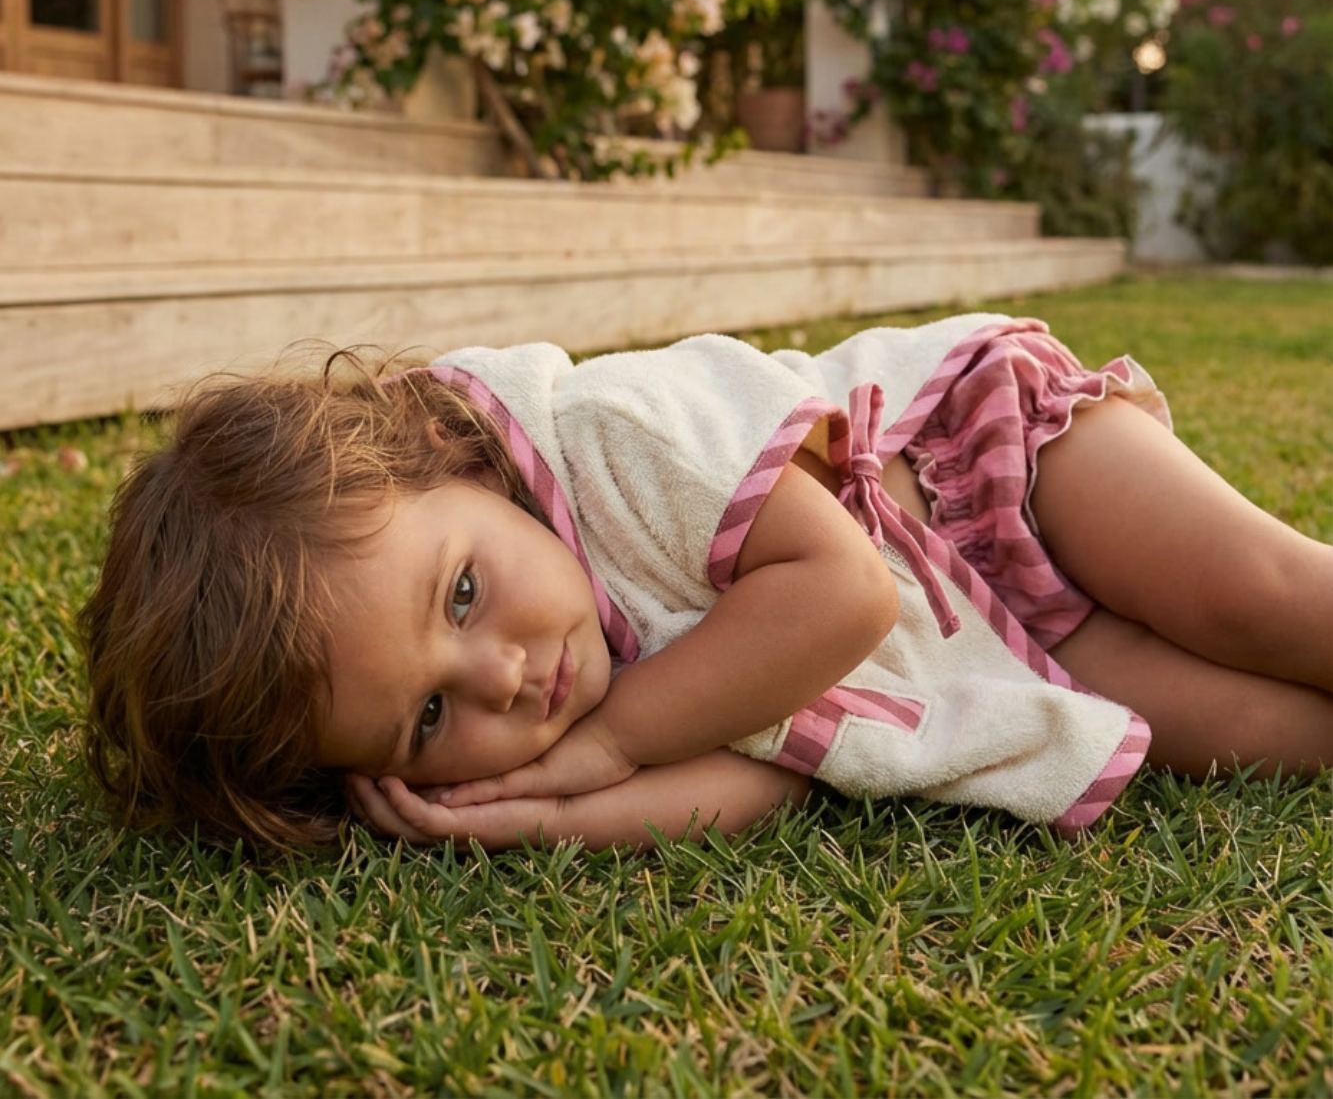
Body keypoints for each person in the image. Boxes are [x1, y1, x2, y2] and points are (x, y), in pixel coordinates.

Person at [79, 315, 1333, 853]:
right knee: (1255, 739)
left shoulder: (619, 434)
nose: (503, 677)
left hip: (989, 468)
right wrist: (551, 814)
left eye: (459, 597)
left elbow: (840, 598)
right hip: (990, 646)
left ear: (442, 463)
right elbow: (760, 773)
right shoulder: (584, 694)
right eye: (427, 720)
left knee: (1262, 599)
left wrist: (612, 742)